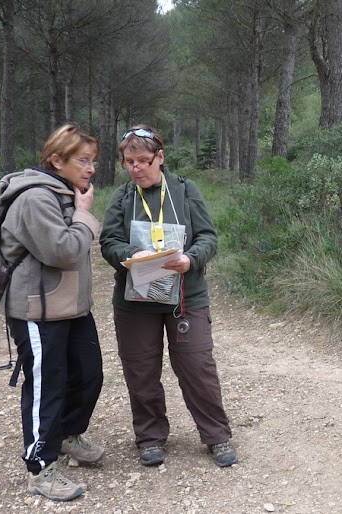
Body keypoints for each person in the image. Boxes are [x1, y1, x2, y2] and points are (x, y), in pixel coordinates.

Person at [100, 125, 237, 468]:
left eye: (143, 161)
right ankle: (149, 437)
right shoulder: (122, 196)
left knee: (197, 366)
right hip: (136, 300)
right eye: (128, 162)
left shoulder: (185, 190)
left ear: (160, 157)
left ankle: (217, 435)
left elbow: (208, 237)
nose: (136, 168)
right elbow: (108, 242)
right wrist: (132, 255)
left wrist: (190, 260)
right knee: (141, 370)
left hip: (186, 297)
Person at [0, 124, 105, 501]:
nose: (91, 169)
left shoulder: (66, 194)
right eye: (83, 160)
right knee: (48, 387)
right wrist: (85, 216)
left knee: (89, 374)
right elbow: (61, 251)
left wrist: (80, 213)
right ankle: (41, 467)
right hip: (36, 312)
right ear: (56, 160)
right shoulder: (34, 199)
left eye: (93, 161)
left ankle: (67, 436)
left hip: (71, 308)